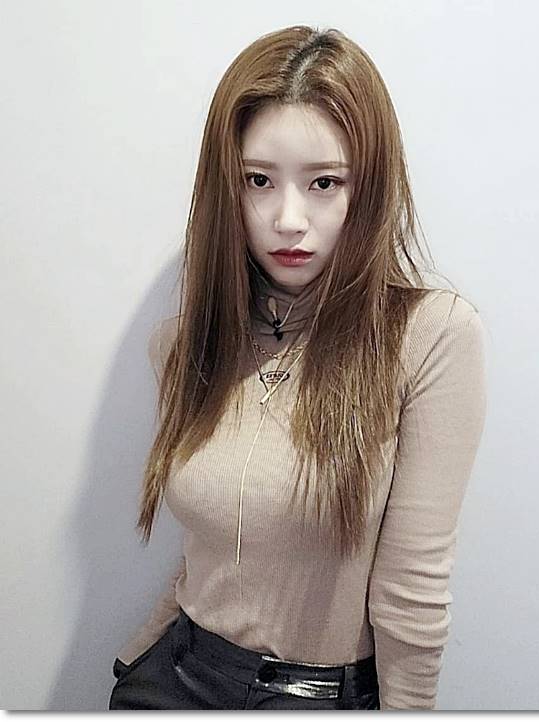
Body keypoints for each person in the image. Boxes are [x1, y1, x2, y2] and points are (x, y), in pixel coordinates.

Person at [108, 24, 487, 711]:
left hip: (314, 697)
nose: (289, 219)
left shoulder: (430, 338)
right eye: (259, 180)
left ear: (368, 187)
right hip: (170, 679)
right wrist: (135, 661)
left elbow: (413, 592)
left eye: (324, 182)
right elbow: (210, 544)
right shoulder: (185, 344)